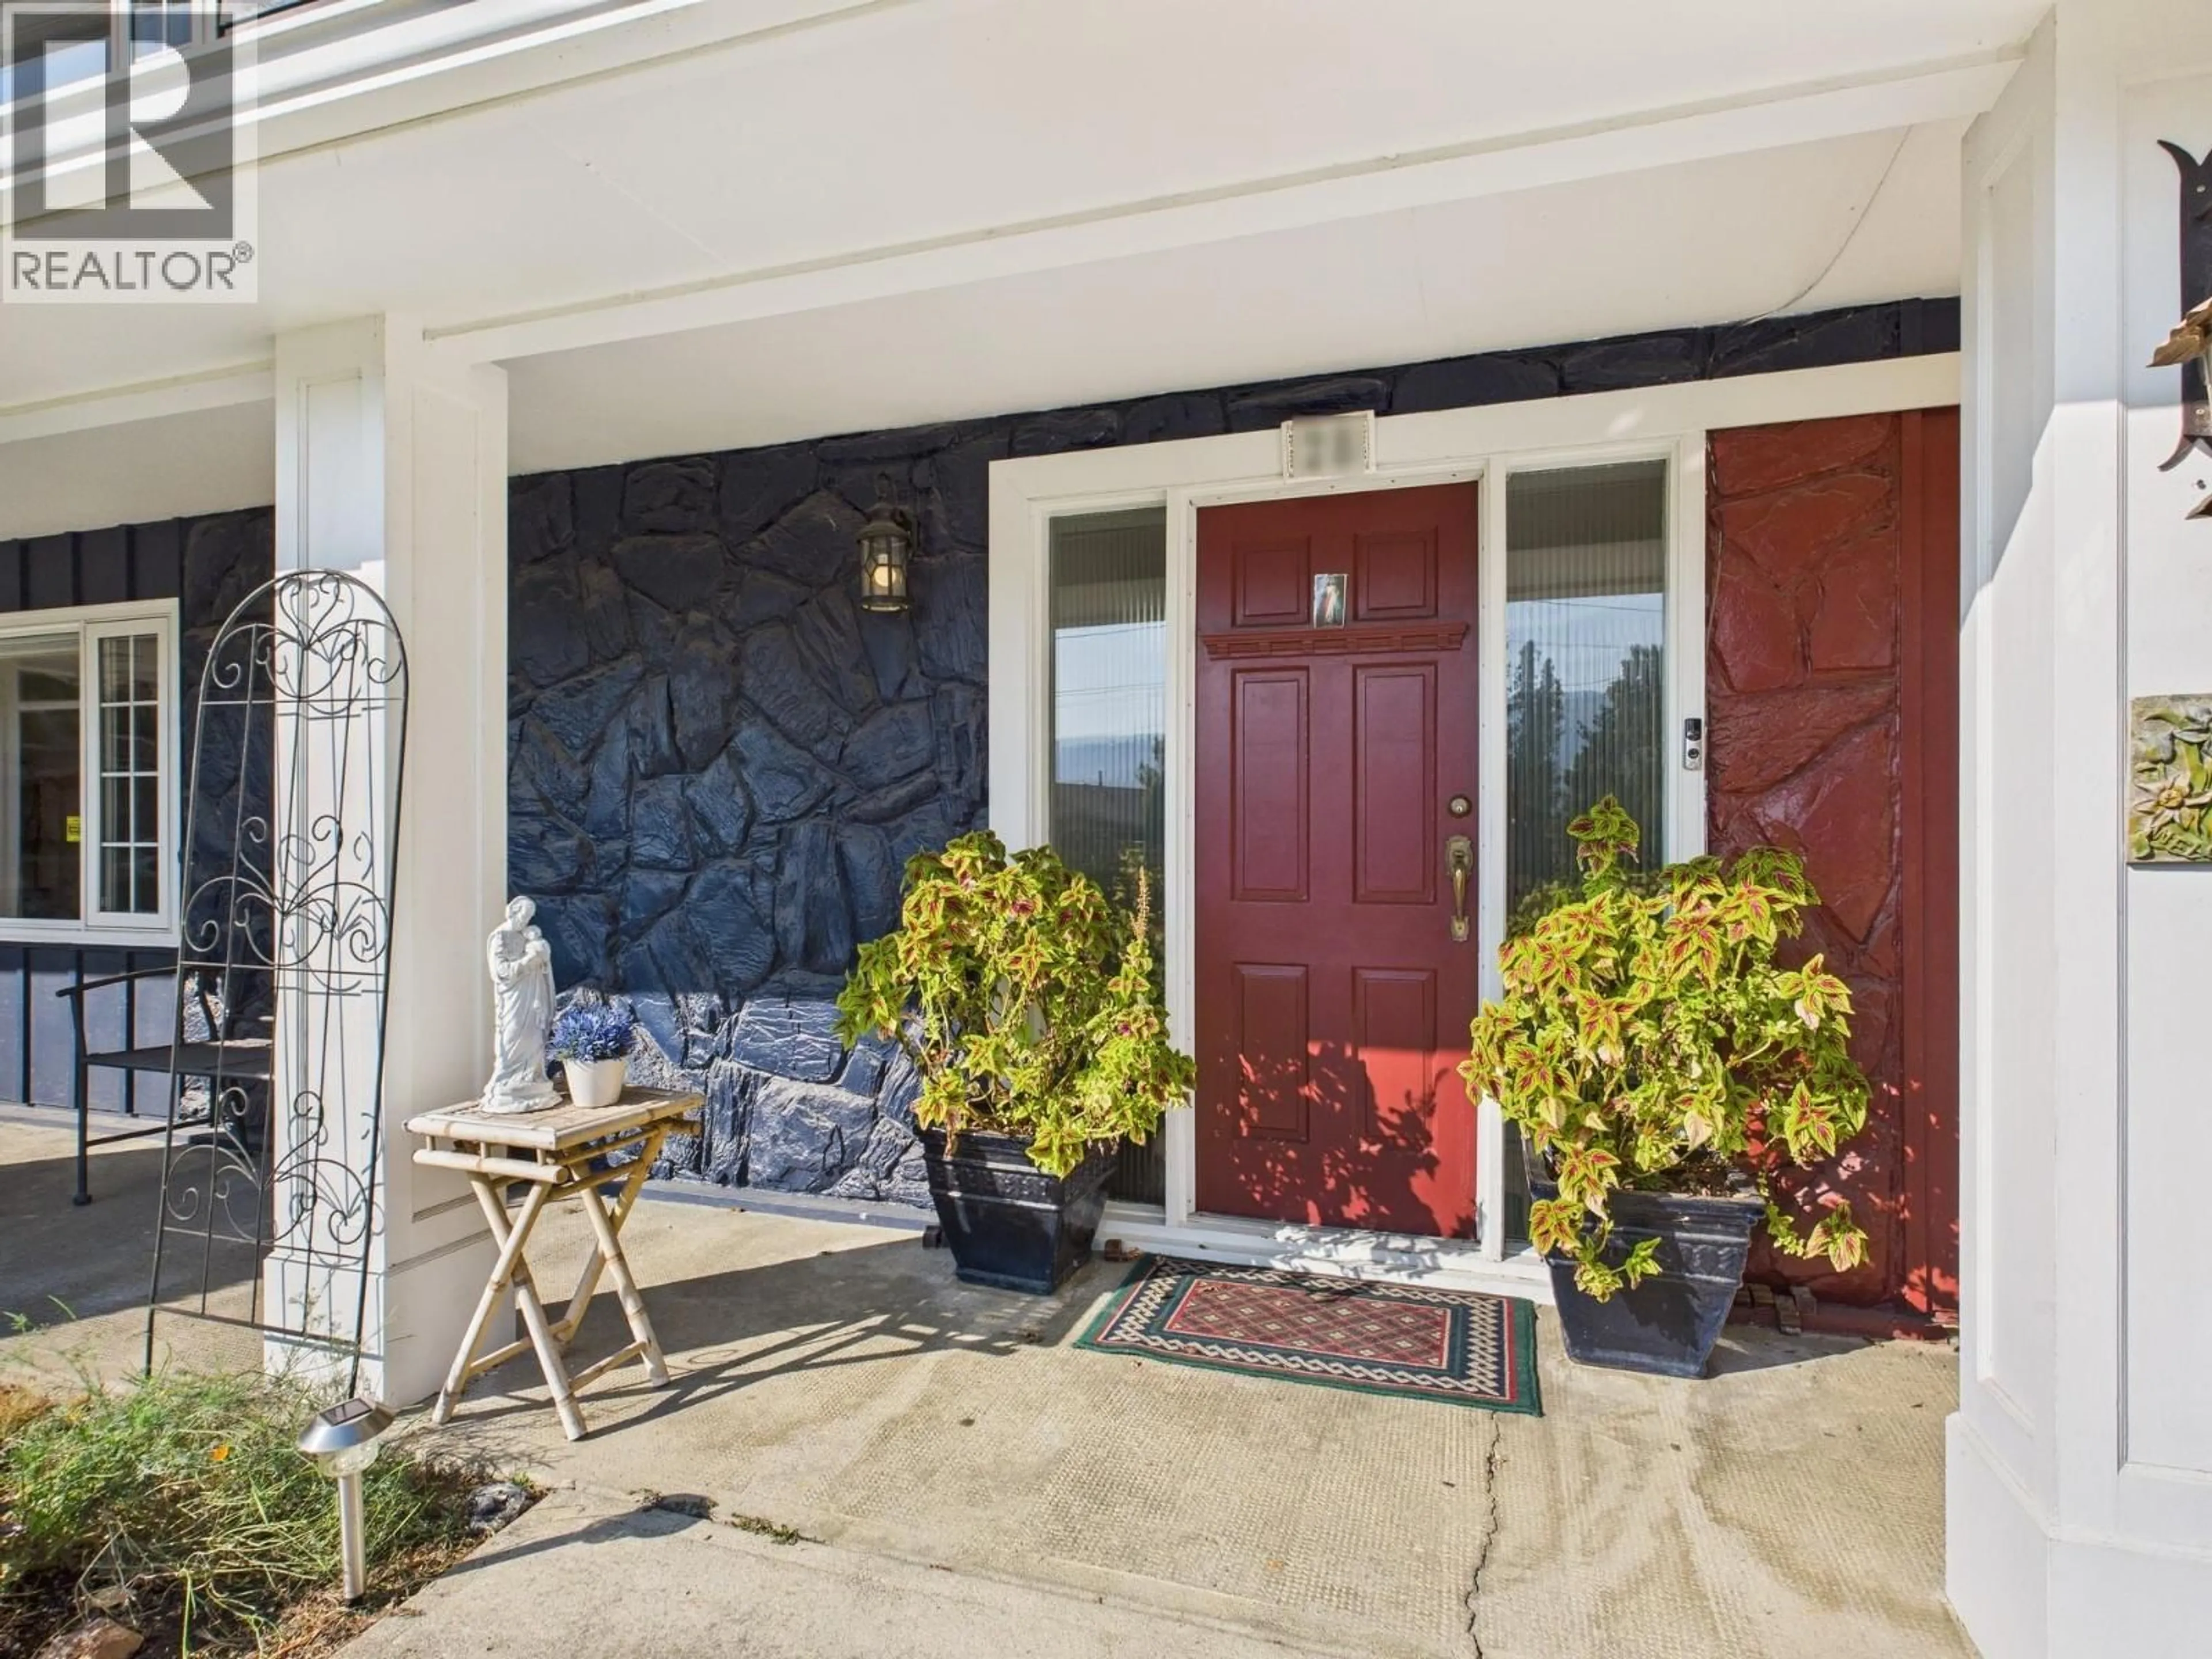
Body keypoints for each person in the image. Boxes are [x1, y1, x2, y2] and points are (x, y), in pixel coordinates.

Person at [482, 896, 559, 1113]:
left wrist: (542, 959)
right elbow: (501, 972)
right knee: (512, 1034)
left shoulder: (527, 935)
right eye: (523, 916)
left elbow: (543, 964)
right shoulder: (500, 937)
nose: (525, 922)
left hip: (532, 995)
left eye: (529, 918)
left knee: (533, 1034)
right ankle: (505, 1078)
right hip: (513, 997)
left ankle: (531, 1077)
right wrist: (528, 962)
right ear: (513, 911)